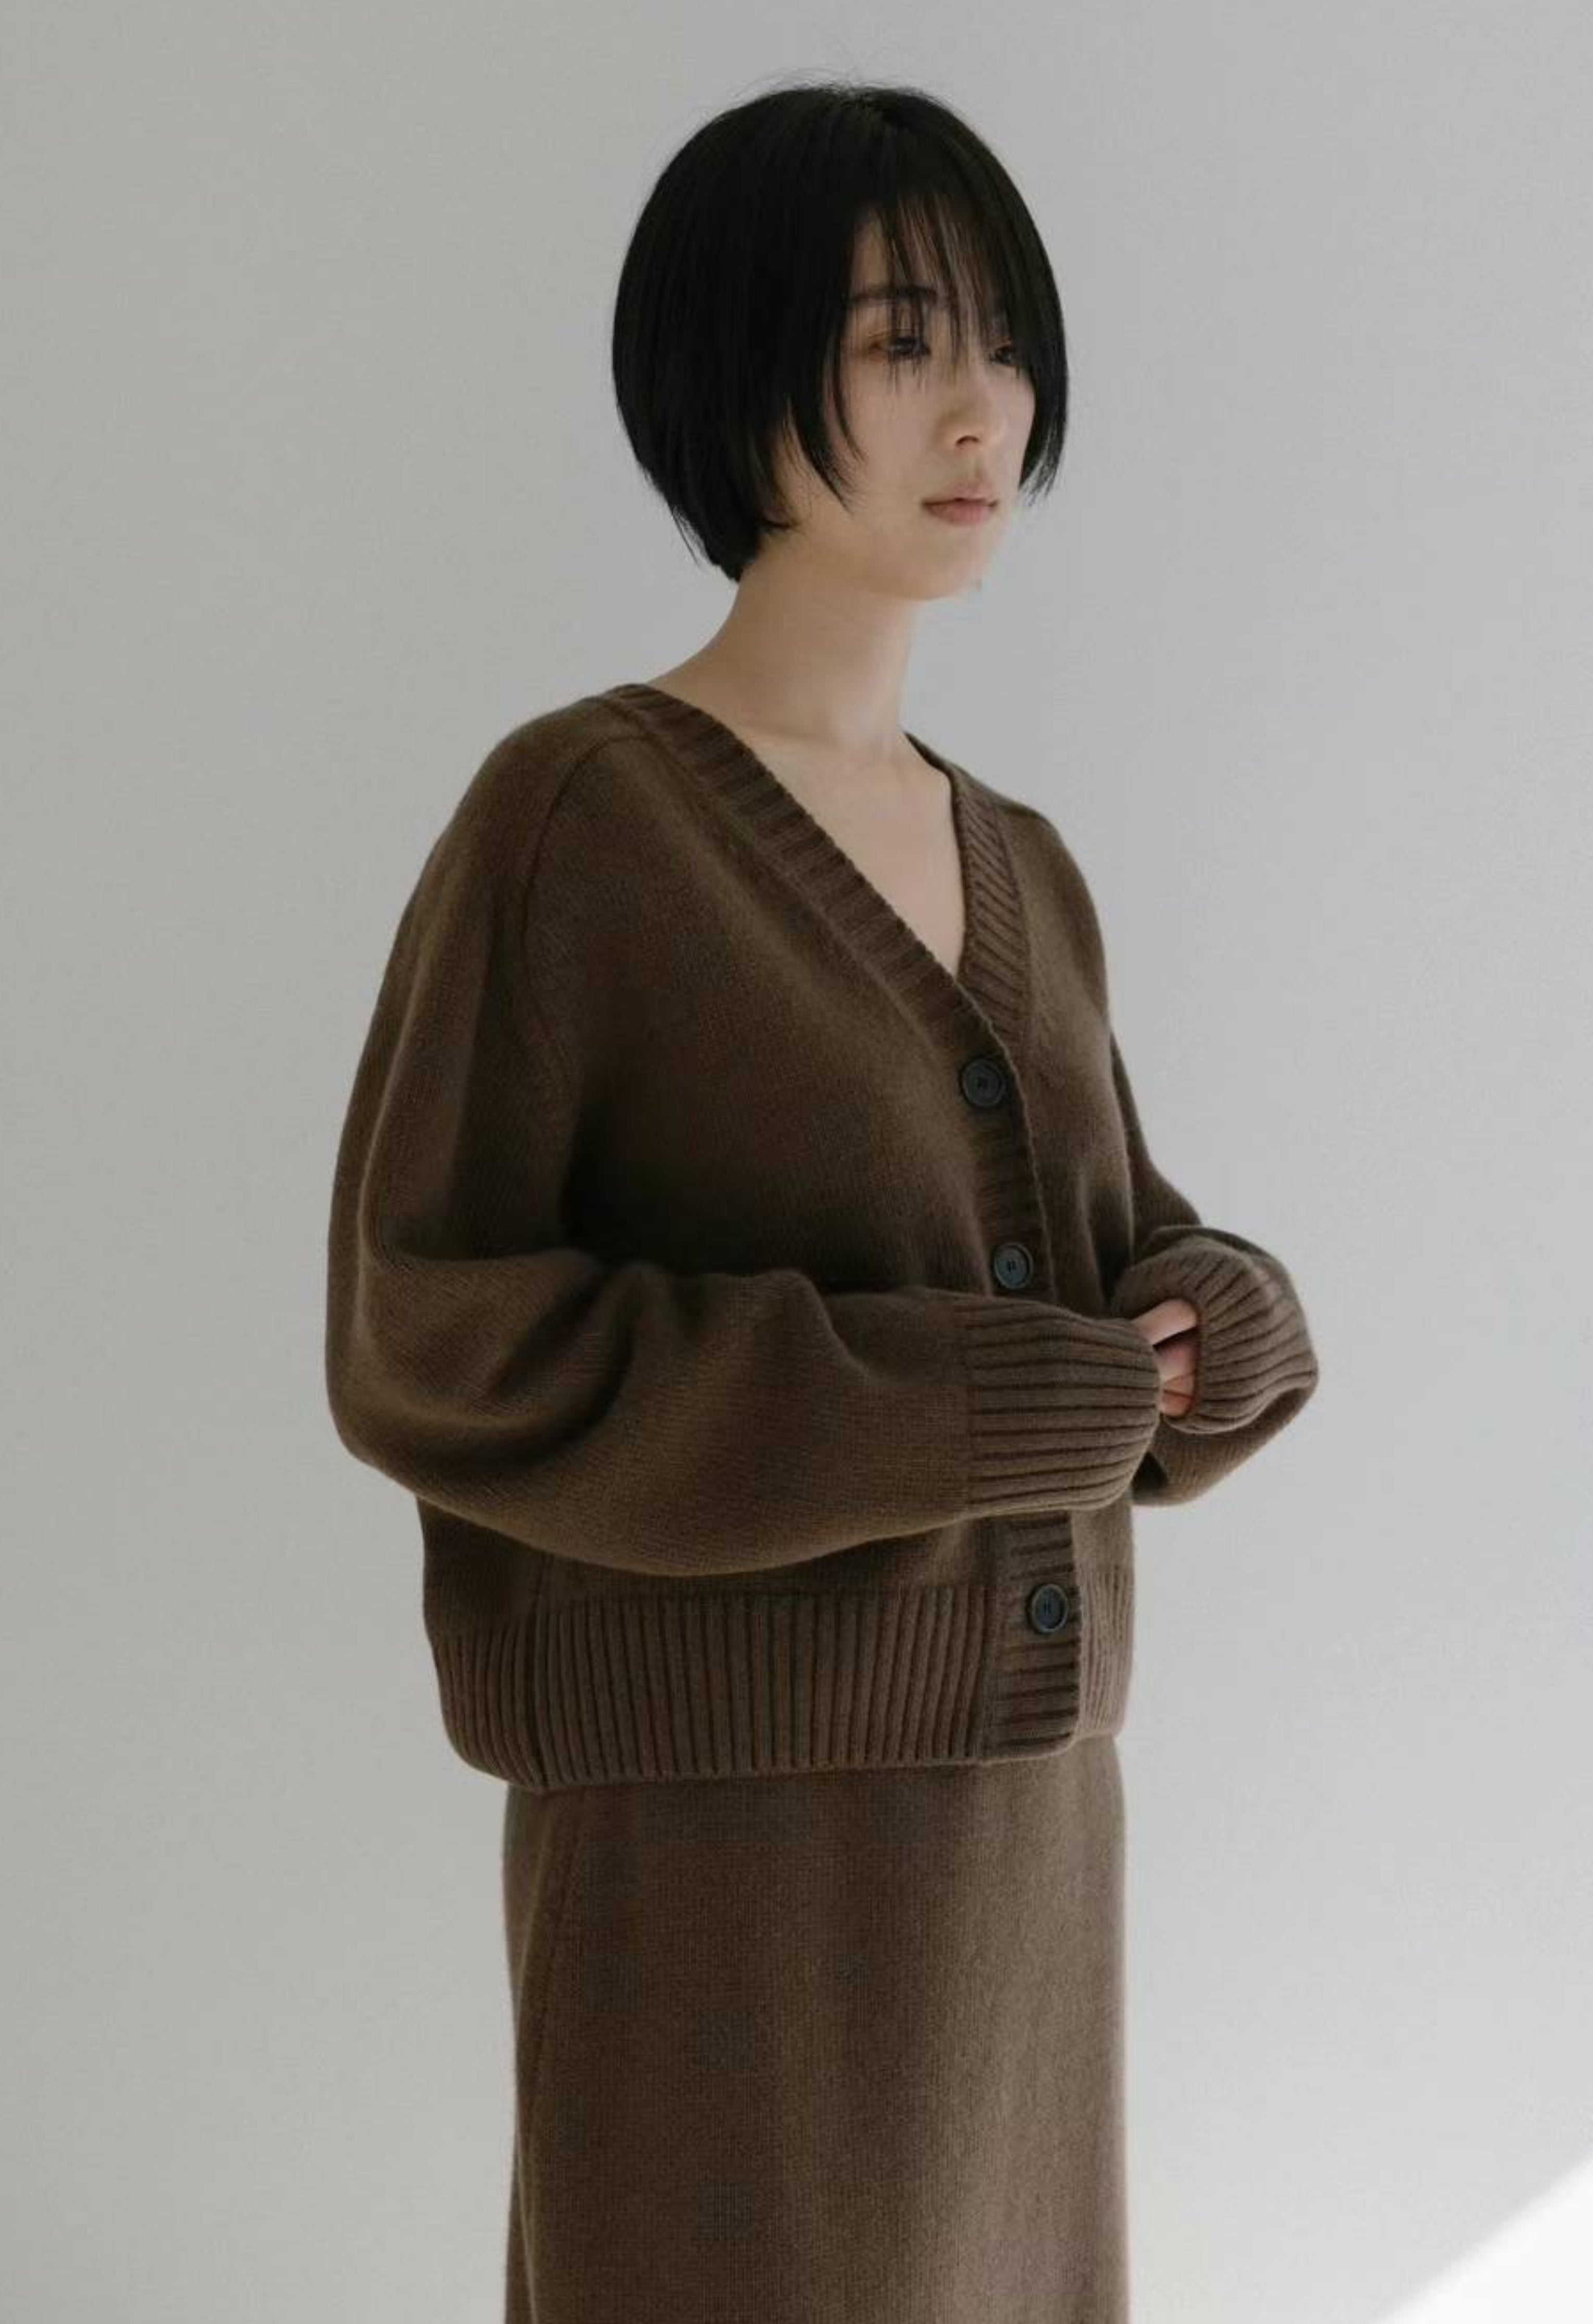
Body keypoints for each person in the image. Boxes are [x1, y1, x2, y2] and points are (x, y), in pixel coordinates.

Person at [323, 74, 1320, 2324]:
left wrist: (1215, 1315)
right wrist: (944, 1409)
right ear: (732, 368)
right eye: (897, 341)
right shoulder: (580, 820)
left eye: (1004, 343)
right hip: (723, 1857)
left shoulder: (1015, 856)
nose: (981, 409)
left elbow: (1086, 1254)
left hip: (1025, 1845)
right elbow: (428, 1336)